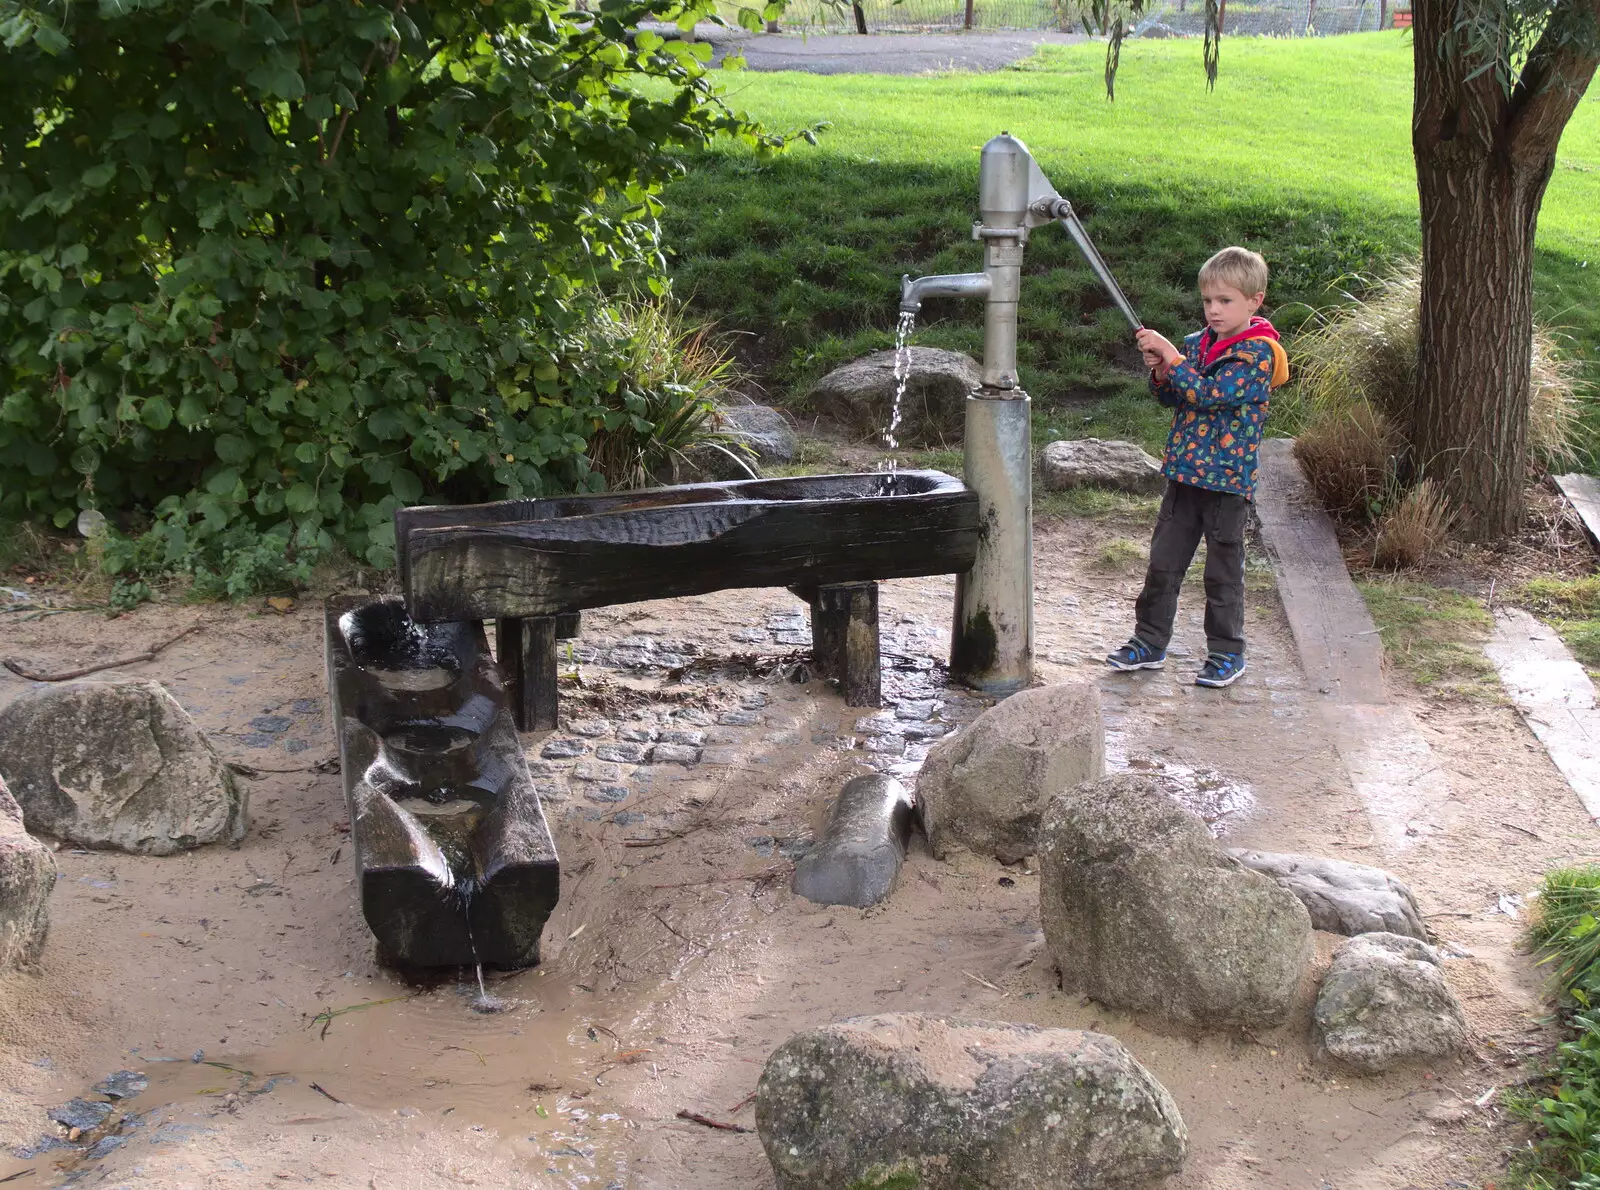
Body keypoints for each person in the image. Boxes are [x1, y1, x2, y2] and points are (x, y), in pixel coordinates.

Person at [1105, 246, 1289, 688]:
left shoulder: (1258, 355)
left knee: (1222, 572)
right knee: (1163, 564)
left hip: (1227, 484)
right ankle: (1149, 642)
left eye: (1225, 301)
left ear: (1254, 302)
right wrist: (1163, 374)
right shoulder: (1195, 345)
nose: (1213, 310)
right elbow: (1176, 397)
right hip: (1184, 477)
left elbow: (1208, 395)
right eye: (1208, 301)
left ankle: (1227, 653)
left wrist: (1172, 357)